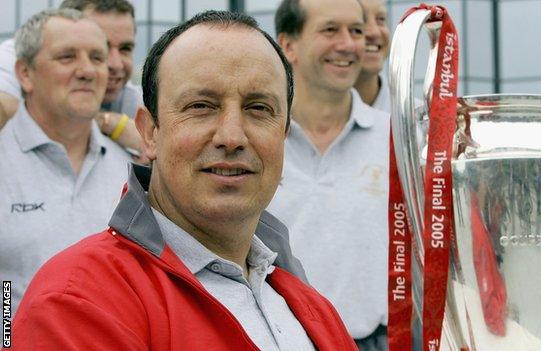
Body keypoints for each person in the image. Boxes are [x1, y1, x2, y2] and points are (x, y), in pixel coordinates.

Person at [11, 10, 356, 350]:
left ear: (283, 135)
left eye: (258, 108)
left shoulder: (311, 306)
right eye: (201, 106)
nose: (232, 136)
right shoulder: (76, 303)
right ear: (149, 133)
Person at [271, 0, 390, 349]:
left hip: (375, 342)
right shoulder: (258, 139)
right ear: (288, 45)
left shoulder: (399, 137)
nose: (349, 43)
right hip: (276, 340)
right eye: (330, 30)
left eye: (355, 30)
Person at [0, 9, 132, 311]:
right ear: (25, 73)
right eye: (67, 57)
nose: (87, 70)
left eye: (96, 58)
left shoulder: (132, 171)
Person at [0, 0, 143, 154]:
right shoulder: (20, 55)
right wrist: (112, 124)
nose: (116, 64)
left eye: (125, 49)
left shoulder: (133, 98)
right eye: (101, 48)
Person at [354, 0, 391, 112]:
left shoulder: (419, 120)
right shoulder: (301, 119)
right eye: (360, 20)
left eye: (381, 19)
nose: (374, 32)